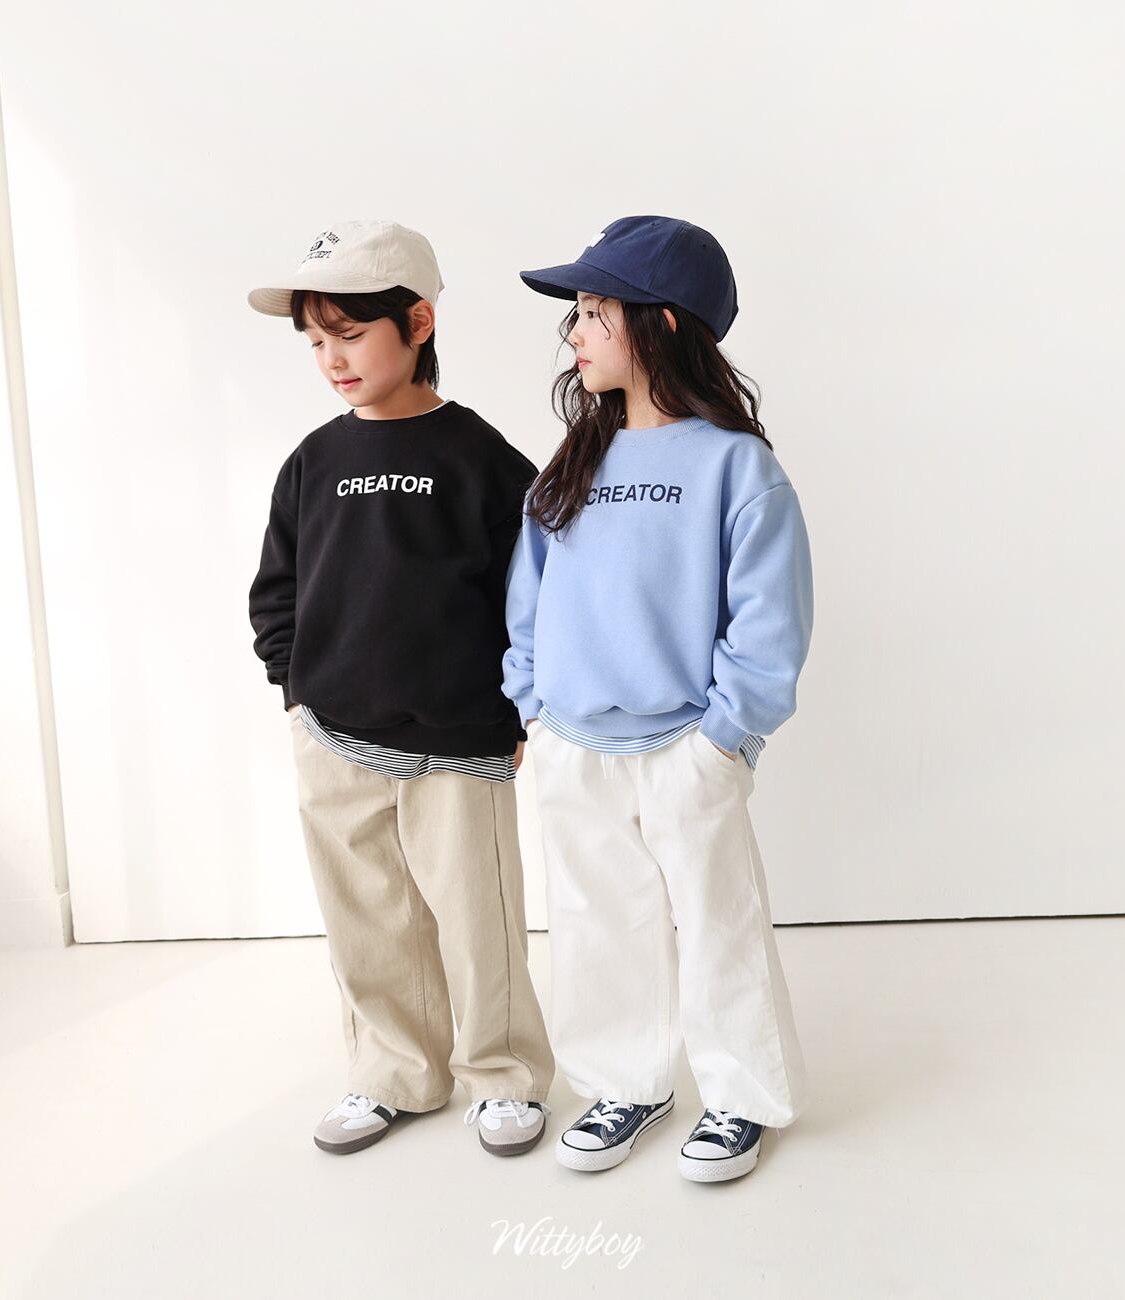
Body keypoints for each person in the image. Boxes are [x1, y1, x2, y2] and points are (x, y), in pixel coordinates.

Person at [503, 215, 814, 1183]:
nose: (575, 330)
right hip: (573, 739)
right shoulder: (575, 460)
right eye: (576, 313)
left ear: (664, 322)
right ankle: (624, 1083)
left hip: (688, 743)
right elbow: (529, 598)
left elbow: (769, 618)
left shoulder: (735, 466)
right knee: (597, 922)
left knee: (720, 922)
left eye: (595, 310)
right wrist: (531, 704)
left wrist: (725, 738)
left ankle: (741, 1097)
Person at [248, 219, 554, 1158]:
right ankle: (395, 1073)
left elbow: (534, 595)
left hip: (459, 737)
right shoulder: (312, 462)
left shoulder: (481, 458)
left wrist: (514, 711)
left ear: (417, 322)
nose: (332, 360)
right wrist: (295, 690)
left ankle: (503, 1075)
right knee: (367, 919)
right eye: (316, 342)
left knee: (478, 917)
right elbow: (277, 590)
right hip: (333, 733)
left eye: (349, 335)